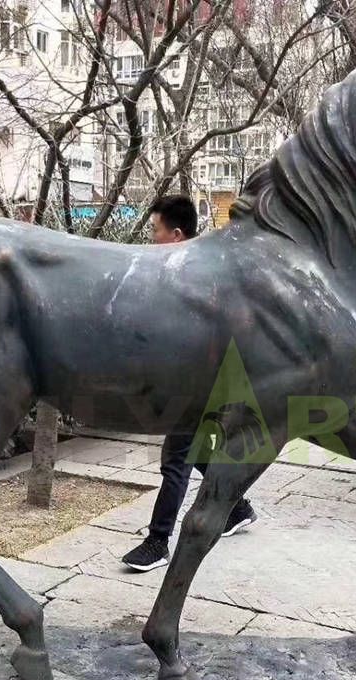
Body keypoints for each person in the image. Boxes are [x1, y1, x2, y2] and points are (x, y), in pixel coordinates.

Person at [122, 195, 258, 572]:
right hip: (197, 378)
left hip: (204, 381)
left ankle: (158, 541)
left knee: (175, 458)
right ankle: (237, 508)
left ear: (176, 234)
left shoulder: (201, 272)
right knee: (195, 452)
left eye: (155, 230)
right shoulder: (183, 267)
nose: (151, 238)